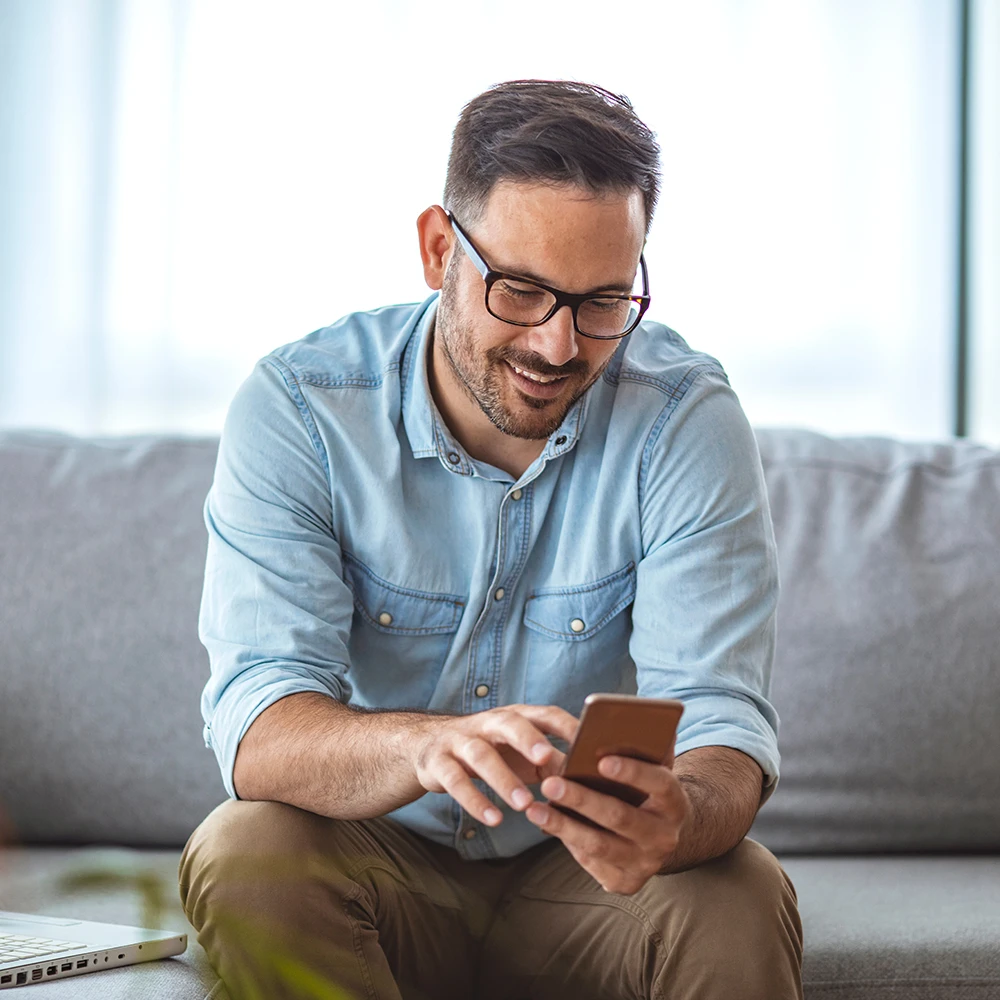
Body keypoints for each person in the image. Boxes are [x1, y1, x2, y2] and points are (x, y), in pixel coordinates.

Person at [178, 79, 804, 1000]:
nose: (558, 346)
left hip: (585, 883)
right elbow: (259, 724)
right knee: (246, 849)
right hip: (378, 859)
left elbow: (719, 723)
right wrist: (426, 746)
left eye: (601, 302)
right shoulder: (302, 408)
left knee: (739, 887)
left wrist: (686, 811)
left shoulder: (684, 421)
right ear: (439, 251)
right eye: (520, 291)